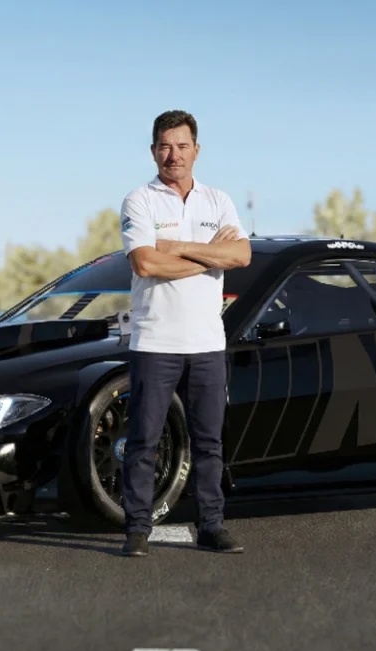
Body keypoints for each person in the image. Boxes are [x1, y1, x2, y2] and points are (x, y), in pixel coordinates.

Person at [117, 110, 251, 557]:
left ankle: (211, 525)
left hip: (208, 344)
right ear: (153, 151)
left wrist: (178, 247)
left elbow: (244, 255)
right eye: (164, 147)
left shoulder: (218, 201)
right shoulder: (140, 200)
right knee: (143, 440)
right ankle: (137, 528)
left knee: (209, 442)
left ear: (196, 149)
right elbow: (145, 264)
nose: (172, 155)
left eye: (181, 146)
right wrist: (213, 255)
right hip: (155, 343)